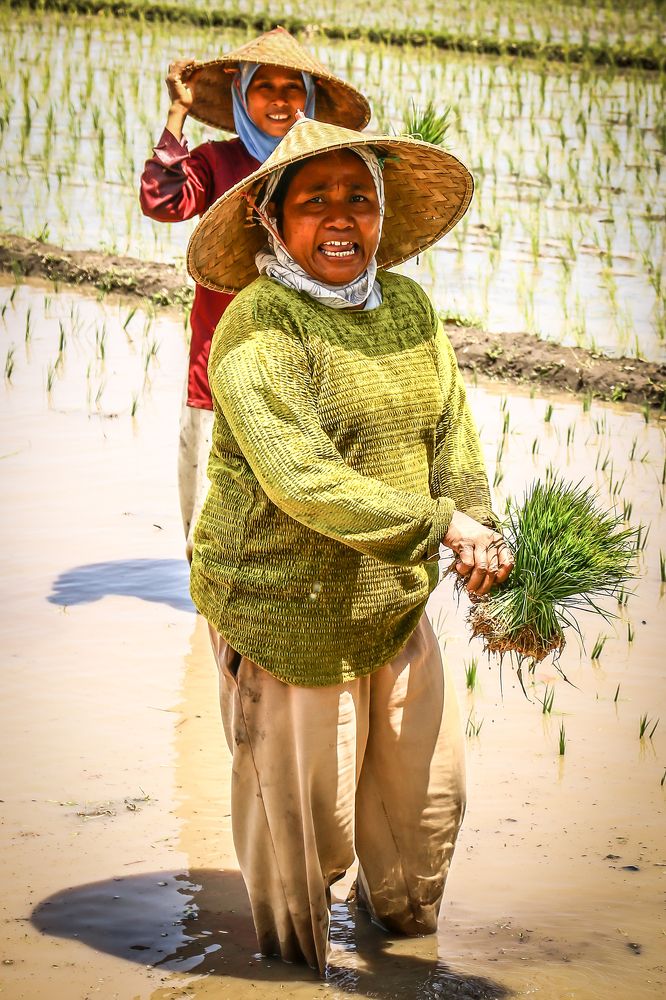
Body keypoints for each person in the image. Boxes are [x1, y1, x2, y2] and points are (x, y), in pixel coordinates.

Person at [185, 117, 514, 975]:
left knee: (423, 818)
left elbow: (449, 428)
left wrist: (476, 529)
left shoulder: (404, 306)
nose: (342, 218)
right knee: (306, 851)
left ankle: (406, 962)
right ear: (270, 217)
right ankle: (290, 981)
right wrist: (441, 526)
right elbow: (304, 480)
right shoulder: (256, 328)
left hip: (390, 603)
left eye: (358, 199)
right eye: (315, 200)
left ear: (381, 215)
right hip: (286, 618)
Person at [139, 28, 370, 558]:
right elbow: (162, 200)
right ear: (242, 95)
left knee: (295, 516)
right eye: (264, 86)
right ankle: (210, 622)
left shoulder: (324, 166)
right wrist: (178, 113)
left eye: (294, 88)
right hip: (220, 359)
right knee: (210, 521)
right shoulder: (219, 162)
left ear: (310, 99)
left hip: (304, 363)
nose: (281, 99)